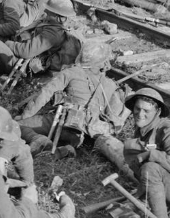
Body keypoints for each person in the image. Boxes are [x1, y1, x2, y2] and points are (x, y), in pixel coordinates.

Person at [17, 42, 132, 178]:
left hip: (64, 122)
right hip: (84, 136)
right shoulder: (110, 84)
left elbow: (44, 94)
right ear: (102, 63)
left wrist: (25, 116)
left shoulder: (71, 72)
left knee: (16, 125)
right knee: (72, 138)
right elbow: (114, 117)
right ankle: (68, 148)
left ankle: (40, 139)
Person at [123, 88, 170, 218]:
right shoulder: (144, 128)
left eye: (146, 111)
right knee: (133, 149)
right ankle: (146, 200)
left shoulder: (169, 131)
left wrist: (151, 154)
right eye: (137, 108)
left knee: (150, 168)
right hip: (162, 186)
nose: (140, 114)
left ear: (158, 112)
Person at [0, 0, 76, 84]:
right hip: (18, 54)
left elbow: (26, 51)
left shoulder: (53, 33)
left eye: (50, 11)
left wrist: (6, 43)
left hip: (21, 65)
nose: (45, 11)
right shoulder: (48, 23)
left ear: (60, 17)